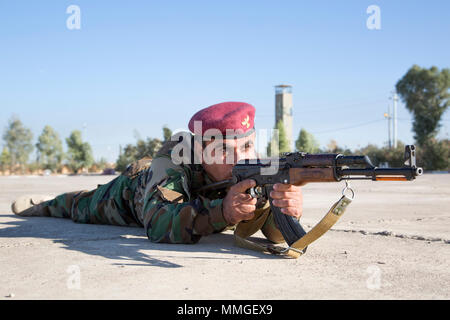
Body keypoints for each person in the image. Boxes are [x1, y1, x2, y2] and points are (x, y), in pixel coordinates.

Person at [11, 102, 303, 245]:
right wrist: (223, 214)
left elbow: (274, 235)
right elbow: (158, 225)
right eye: (225, 150)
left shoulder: (256, 166)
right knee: (80, 205)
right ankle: (46, 203)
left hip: (175, 199)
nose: (242, 158)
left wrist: (288, 212)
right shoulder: (175, 157)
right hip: (130, 196)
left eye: (248, 145)